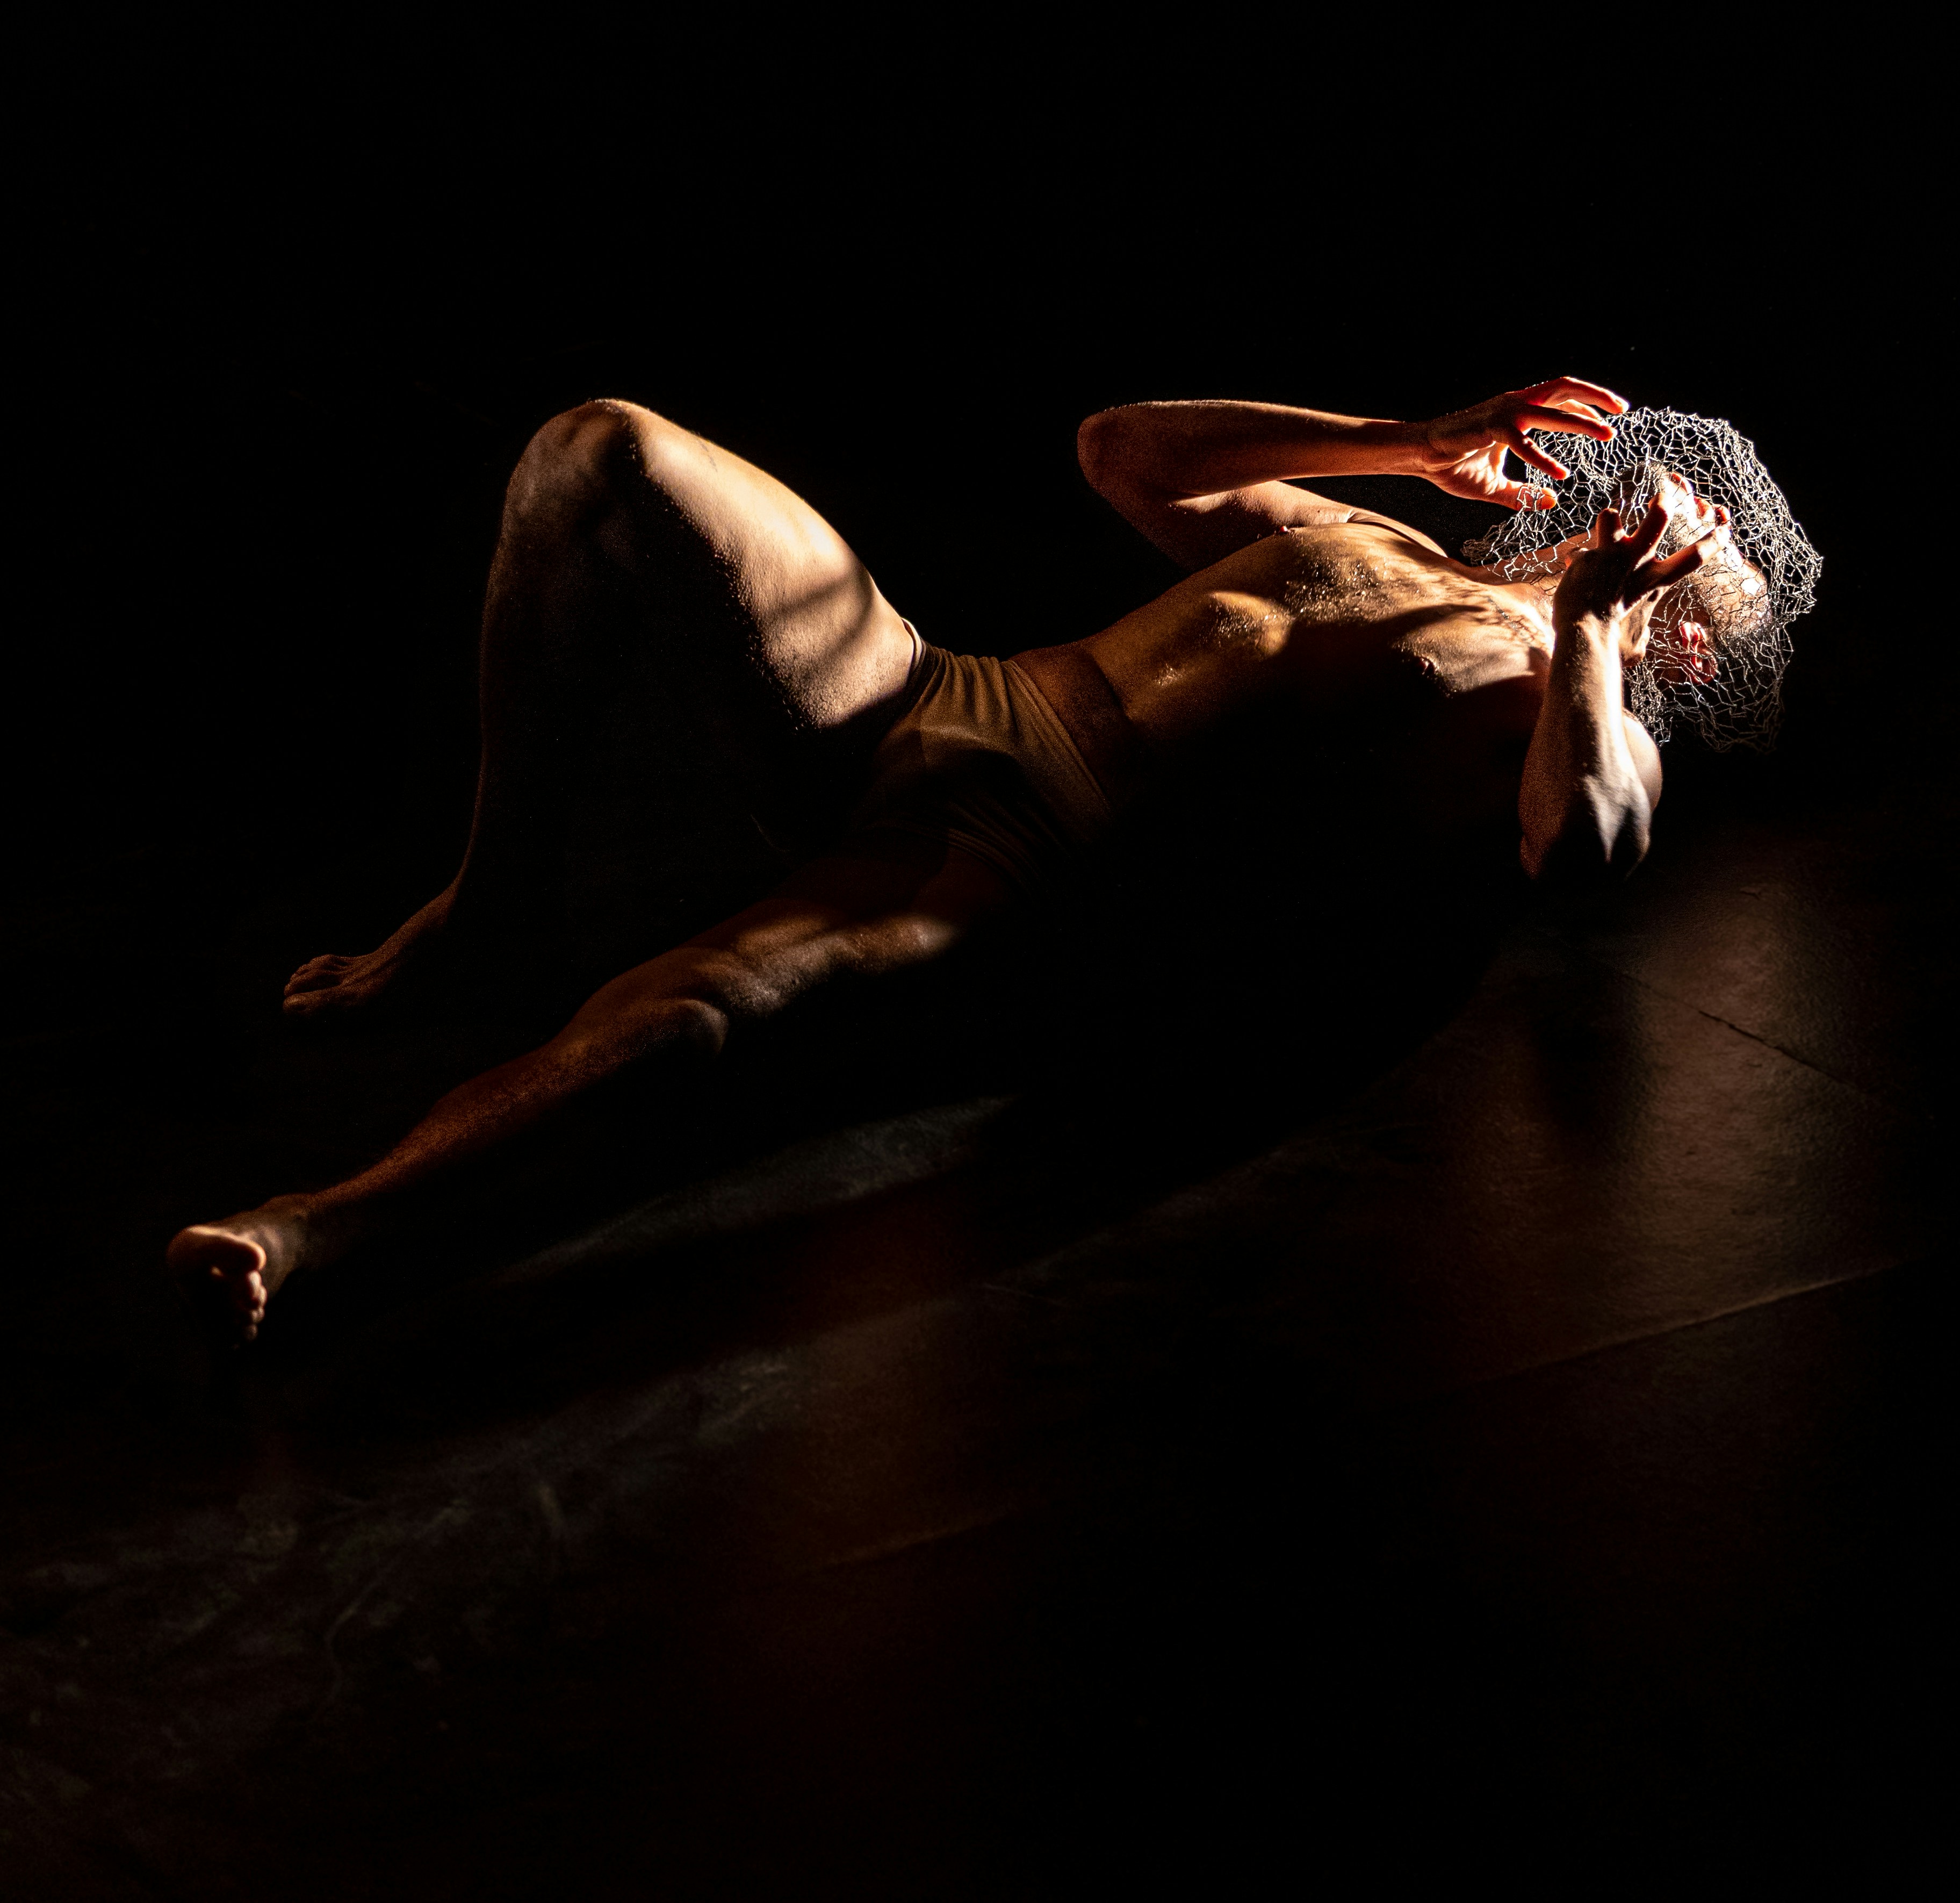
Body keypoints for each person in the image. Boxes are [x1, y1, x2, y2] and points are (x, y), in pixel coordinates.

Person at [167, 376, 1759, 1338]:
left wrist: (1589, 637)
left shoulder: (1575, 716)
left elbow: (1582, 847)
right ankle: (493, 904)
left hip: (1019, 856)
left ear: (1685, 642)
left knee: (697, 1011)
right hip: (938, 696)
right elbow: (1123, 452)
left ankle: (317, 1227)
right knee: (606, 453)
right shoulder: (1391, 538)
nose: (1640, 533)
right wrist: (1406, 440)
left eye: (1690, 566)